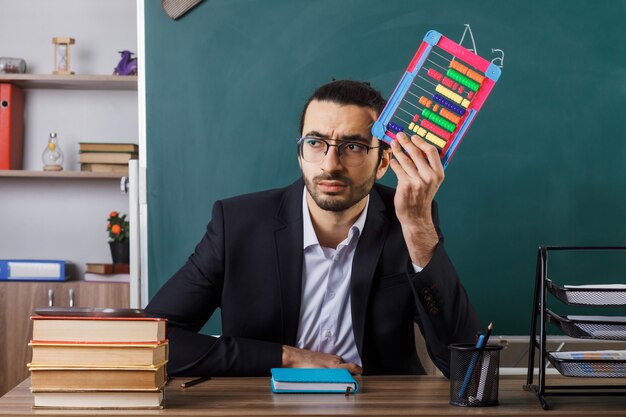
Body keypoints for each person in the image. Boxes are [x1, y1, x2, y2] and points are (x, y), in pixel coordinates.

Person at [145, 79, 481, 377]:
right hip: (262, 408)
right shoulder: (236, 225)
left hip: (378, 408)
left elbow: (468, 368)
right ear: (300, 152)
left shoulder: (410, 221)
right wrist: (285, 357)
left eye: (353, 146)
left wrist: (419, 229)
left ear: (383, 162)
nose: (330, 164)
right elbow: (151, 340)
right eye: (316, 143)